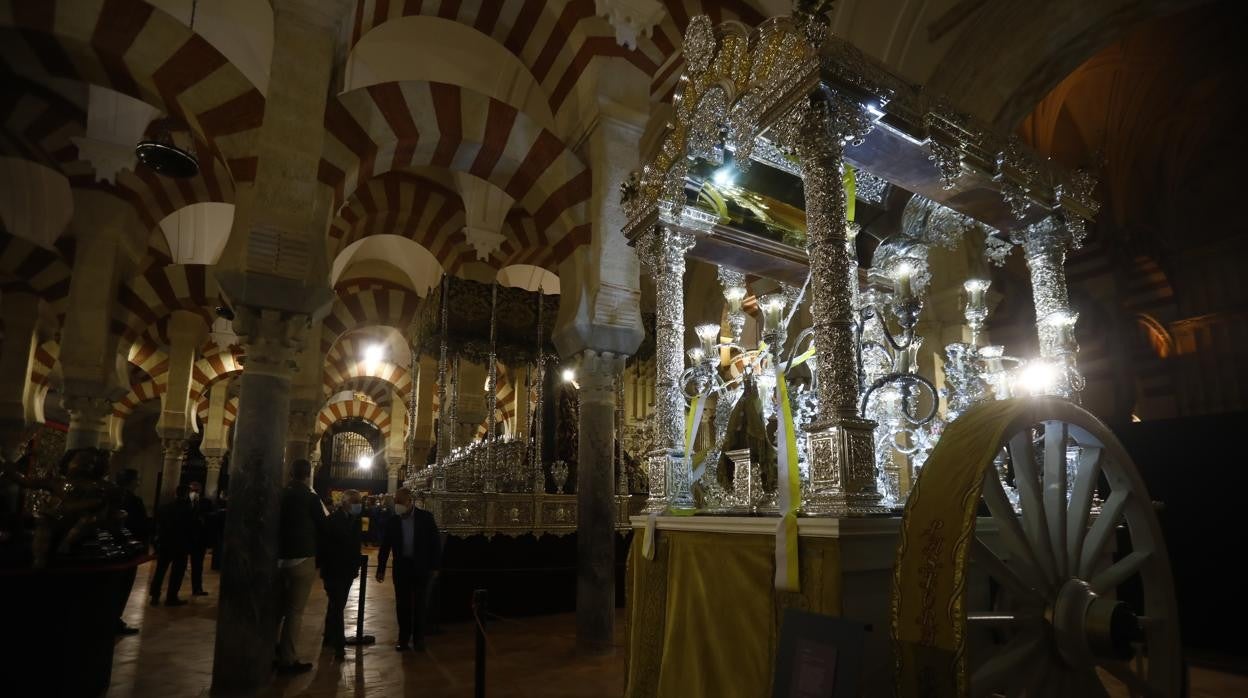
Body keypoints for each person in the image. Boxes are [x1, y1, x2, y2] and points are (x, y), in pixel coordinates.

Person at [274, 459, 326, 675]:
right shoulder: (310, 498)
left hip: (278, 558)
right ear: (307, 475)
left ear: (290, 473)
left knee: (276, 609)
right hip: (302, 557)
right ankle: (287, 659)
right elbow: (323, 526)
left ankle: (265, 652)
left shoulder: (280, 494)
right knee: (295, 612)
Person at [376, 488, 440, 651]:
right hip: (401, 567)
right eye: (396, 502)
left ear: (409, 501)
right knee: (402, 604)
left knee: (420, 604)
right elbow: (385, 546)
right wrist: (381, 568)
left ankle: (419, 639)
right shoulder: (393, 521)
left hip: (420, 567)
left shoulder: (425, 518)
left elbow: (435, 544)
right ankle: (403, 638)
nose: (397, 505)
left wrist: (434, 566)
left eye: (400, 502)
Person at [319, 489, 363, 660]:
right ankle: (339, 645)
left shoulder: (355, 520)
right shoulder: (332, 520)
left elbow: (355, 545)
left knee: (337, 605)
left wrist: (355, 567)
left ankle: (329, 637)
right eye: (356, 502)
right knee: (337, 606)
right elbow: (327, 546)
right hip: (334, 570)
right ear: (345, 503)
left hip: (347, 570)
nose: (359, 506)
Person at [114, 468, 148, 634]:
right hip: (127, 549)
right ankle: (114, 619)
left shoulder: (111, 497)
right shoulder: (133, 501)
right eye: (137, 479)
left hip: (115, 547)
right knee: (122, 586)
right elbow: (140, 525)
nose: (139, 482)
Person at [149, 484, 193, 606]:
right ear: (186, 494)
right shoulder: (188, 509)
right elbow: (190, 528)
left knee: (160, 570)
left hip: (165, 543)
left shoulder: (165, 508)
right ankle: (171, 597)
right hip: (180, 544)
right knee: (177, 572)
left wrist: (156, 542)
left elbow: (157, 526)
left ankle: (155, 596)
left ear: (176, 493)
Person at [187, 481, 216, 596]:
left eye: (196, 490)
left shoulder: (206, 502)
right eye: (192, 490)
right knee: (178, 567)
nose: (194, 492)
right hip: (185, 539)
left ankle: (197, 588)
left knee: (198, 565)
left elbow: (211, 516)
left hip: (200, 539)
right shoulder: (184, 502)